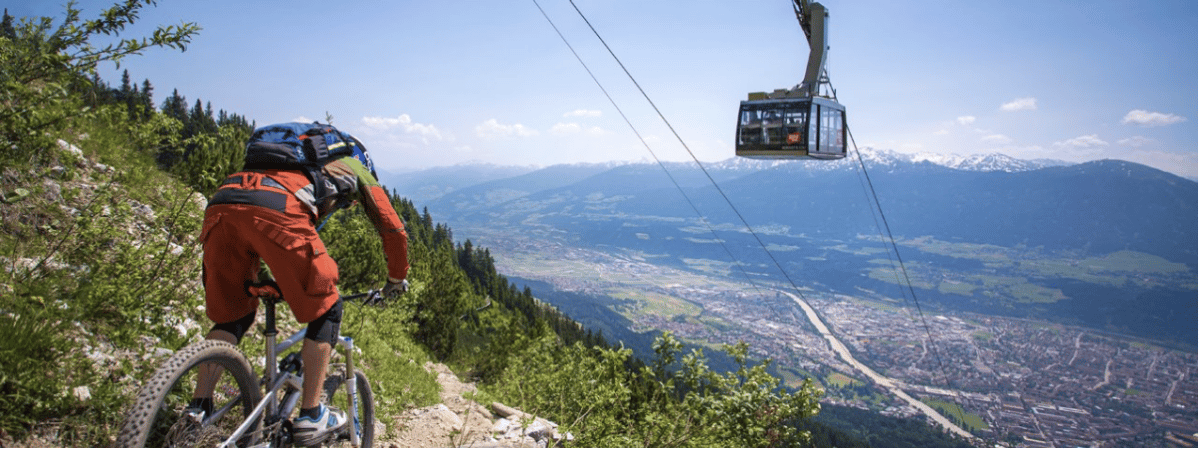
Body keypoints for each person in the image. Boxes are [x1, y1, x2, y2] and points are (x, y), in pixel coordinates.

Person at [190, 127, 409, 446]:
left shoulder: (286, 164)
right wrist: (395, 278)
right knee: (328, 308)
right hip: (277, 210)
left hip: (222, 204)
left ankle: (197, 410)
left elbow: (260, 231)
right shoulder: (355, 166)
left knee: (232, 318)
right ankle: (310, 416)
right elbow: (393, 229)